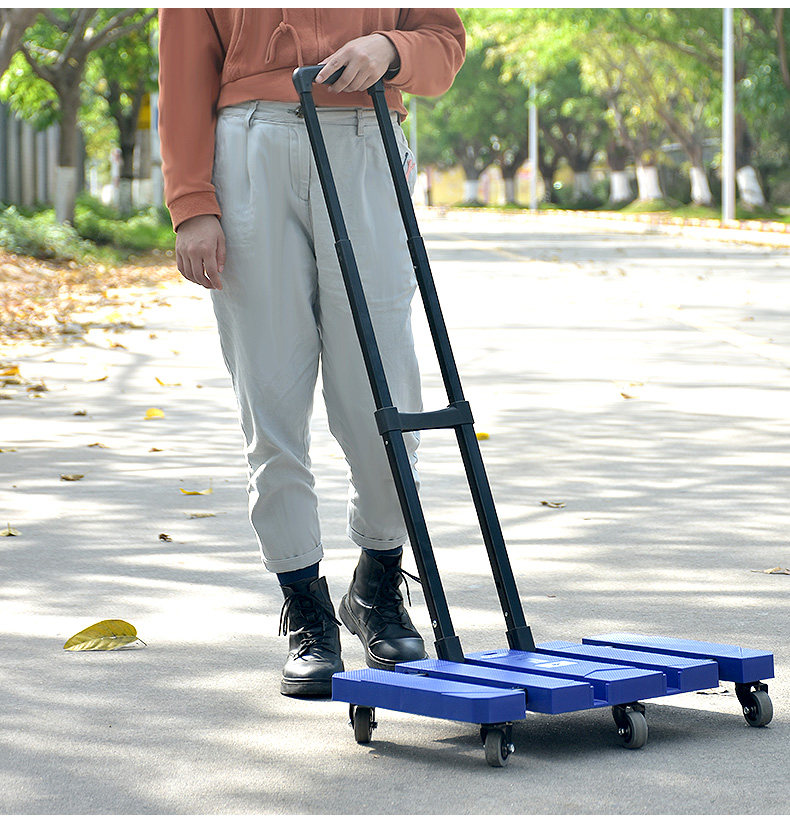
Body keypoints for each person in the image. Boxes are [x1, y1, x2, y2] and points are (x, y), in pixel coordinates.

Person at [157, 9, 465, 697]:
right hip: (250, 150)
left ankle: (378, 583)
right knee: (270, 393)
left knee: (384, 394)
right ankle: (305, 607)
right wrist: (192, 202)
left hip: (366, 137)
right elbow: (183, 72)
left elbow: (444, 45)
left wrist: (390, 48)